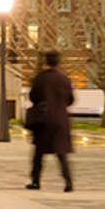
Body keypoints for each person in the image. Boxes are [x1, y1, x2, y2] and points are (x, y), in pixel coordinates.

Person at [26, 50, 74, 192]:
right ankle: (68, 182)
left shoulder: (40, 78)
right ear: (58, 62)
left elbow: (33, 97)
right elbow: (71, 100)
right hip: (60, 120)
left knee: (38, 154)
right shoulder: (65, 79)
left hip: (43, 120)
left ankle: (35, 181)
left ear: (46, 62)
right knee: (61, 153)